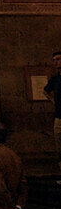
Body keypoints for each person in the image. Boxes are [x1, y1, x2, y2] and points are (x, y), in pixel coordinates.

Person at [43, 51, 61, 182]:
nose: (56, 62)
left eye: (58, 59)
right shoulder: (55, 79)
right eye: (54, 60)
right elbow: (46, 91)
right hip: (59, 116)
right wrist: (53, 101)